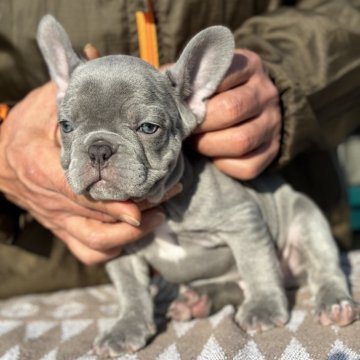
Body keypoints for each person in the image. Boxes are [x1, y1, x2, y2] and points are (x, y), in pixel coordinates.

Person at [0, 0, 359, 298]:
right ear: (61, 91)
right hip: (41, 272)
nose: (98, 154)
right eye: (68, 125)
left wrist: (291, 79)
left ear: (192, 98)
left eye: (146, 126)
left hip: (288, 210)